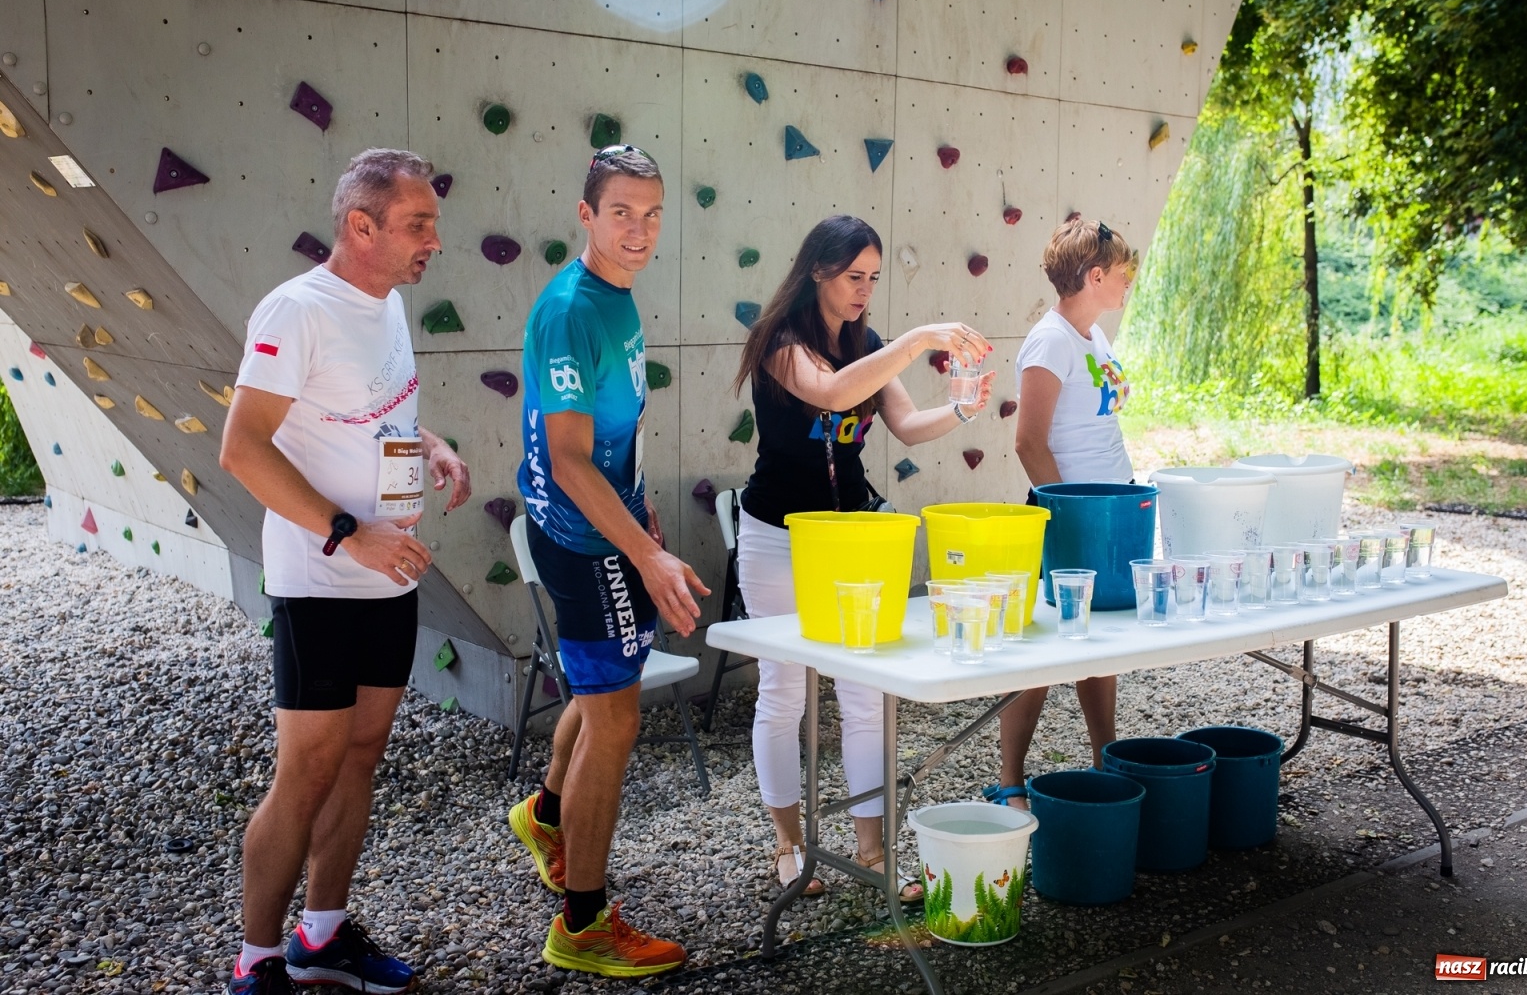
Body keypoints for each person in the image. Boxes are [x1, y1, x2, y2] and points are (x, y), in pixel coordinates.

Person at [218, 149, 471, 995]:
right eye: (418, 224)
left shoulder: (388, 302)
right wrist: (348, 533)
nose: (434, 239)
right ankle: (256, 961)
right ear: (361, 226)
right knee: (307, 773)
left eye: (433, 222)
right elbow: (241, 449)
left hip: (389, 579)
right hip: (320, 581)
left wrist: (430, 443)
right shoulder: (296, 310)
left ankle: (321, 937)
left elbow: (366, 411)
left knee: (360, 756)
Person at [733, 215, 994, 898]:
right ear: (817, 270)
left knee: (866, 693)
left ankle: (872, 853)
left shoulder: (868, 343)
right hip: (778, 534)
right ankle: (789, 845)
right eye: (855, 277)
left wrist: (962, 409)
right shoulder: (778, 341)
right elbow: (831, 393)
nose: (864, 291)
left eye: (874, 279)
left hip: (852, 537)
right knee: (784, 690)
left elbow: (906, 425)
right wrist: (918, 340)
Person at [506, 145, 705, 979]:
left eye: (652, 213)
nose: (640, 229)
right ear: (586, 215)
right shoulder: (570, 312)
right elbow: (568, 461)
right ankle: (582, 925)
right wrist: (648, 554)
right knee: (616, 721)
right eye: (621, 212)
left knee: (602, 695)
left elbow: (619, 434)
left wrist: (642, 505)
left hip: (610, 525)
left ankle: (548, 814)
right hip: (582, 539)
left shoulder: (617, 295)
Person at [991, 215, 1136, 808]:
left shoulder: (1092, 335)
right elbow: (1029, 442)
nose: (1129, 281)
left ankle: (1106, 761)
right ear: (1095, 276)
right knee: (1044, 650)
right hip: (1070, 513)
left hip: (1110, 509)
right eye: (1123, 271)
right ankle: (1010, 780)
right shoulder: (1050, 340)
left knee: (1097, 646)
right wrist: (1070, 514)